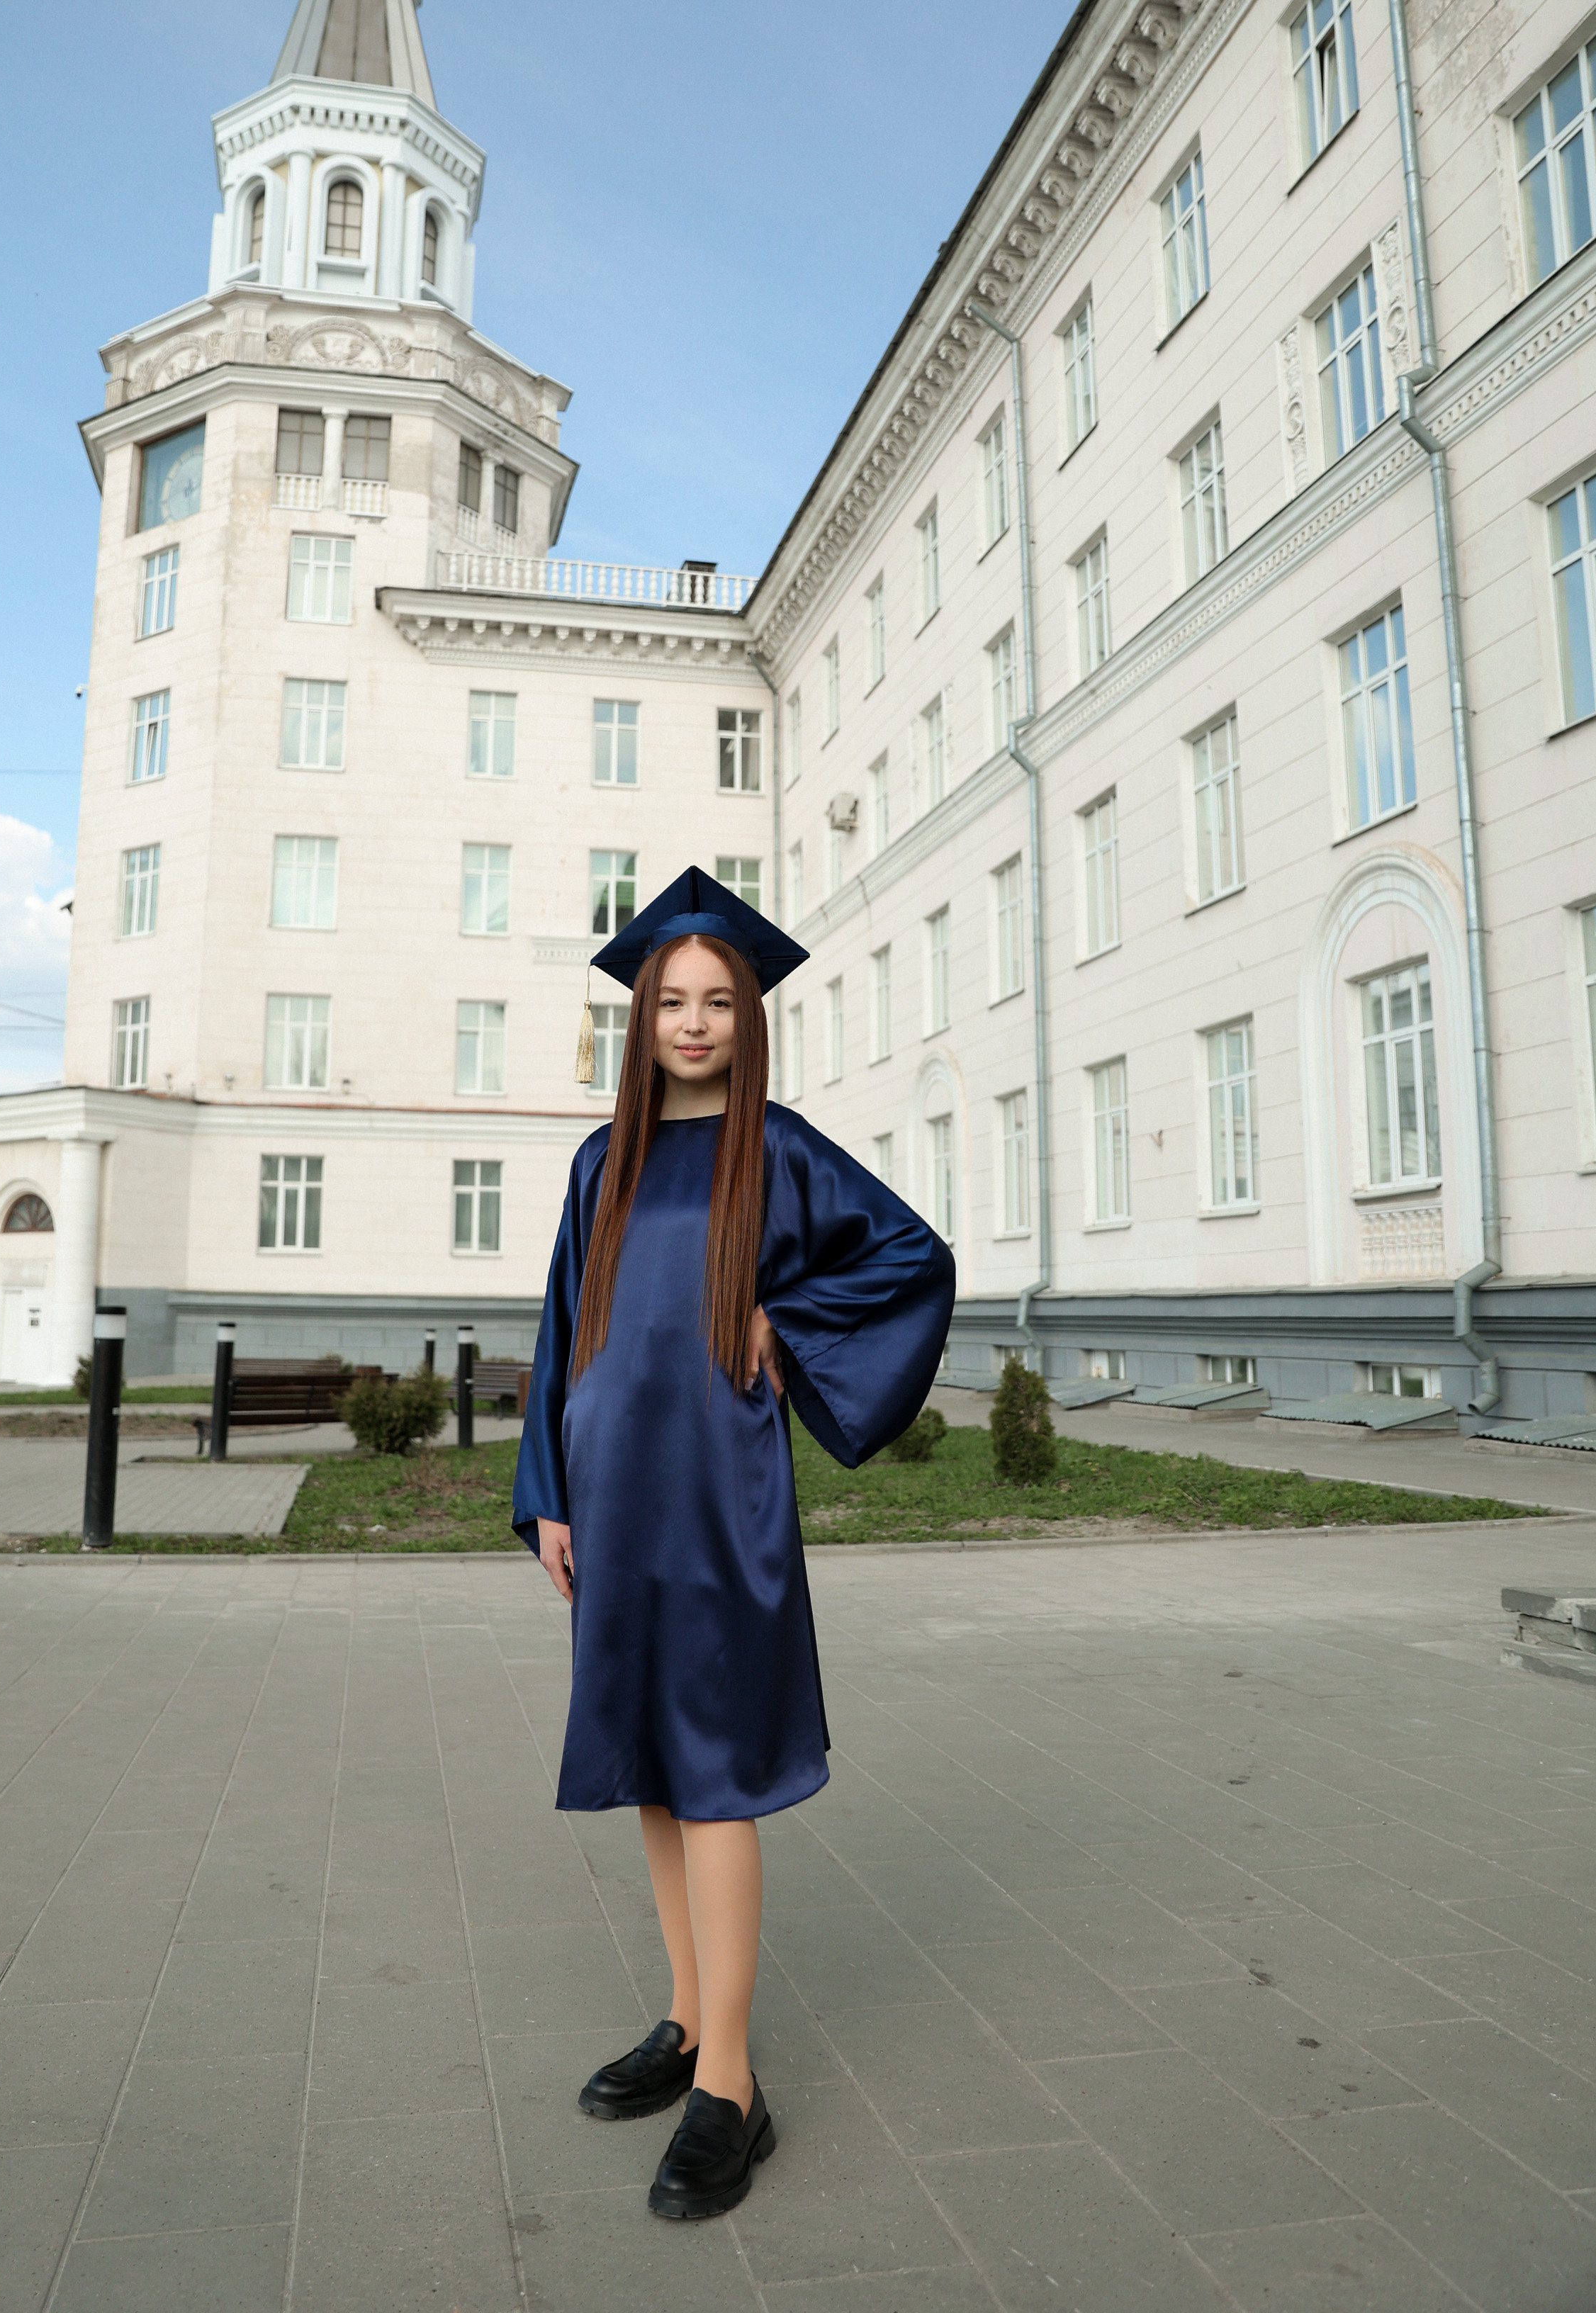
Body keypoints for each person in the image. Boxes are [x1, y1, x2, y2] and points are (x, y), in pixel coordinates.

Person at [512, 866, 955, 2221]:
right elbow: (558, 1330)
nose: (694, 1022)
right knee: (651, 1758)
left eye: (719, 1002)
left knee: (713, 1773)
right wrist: (548, 1491)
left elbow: (910, 1258)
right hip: (615, 1488)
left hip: (716, 1494)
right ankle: (690, 2017)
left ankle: (736, 2088)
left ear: (748, 1018)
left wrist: (783, 1324)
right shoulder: (608, 1158)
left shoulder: (786, 1150)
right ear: (639, 1020)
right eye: (672, 1002)